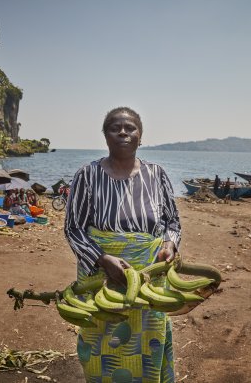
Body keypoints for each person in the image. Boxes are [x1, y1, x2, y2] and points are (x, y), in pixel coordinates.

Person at [64, 107, 181, 382]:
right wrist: (103, 259)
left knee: (148, 340)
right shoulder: (87, 175)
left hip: (149, 280)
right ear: (105, 136)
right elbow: (74, 228)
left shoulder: (157, 174)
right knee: (101, 341)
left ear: (141, 135)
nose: (123, 133)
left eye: (130, 128)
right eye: (115, 128)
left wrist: (170, 244)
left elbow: (172, 223)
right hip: (101, 279)